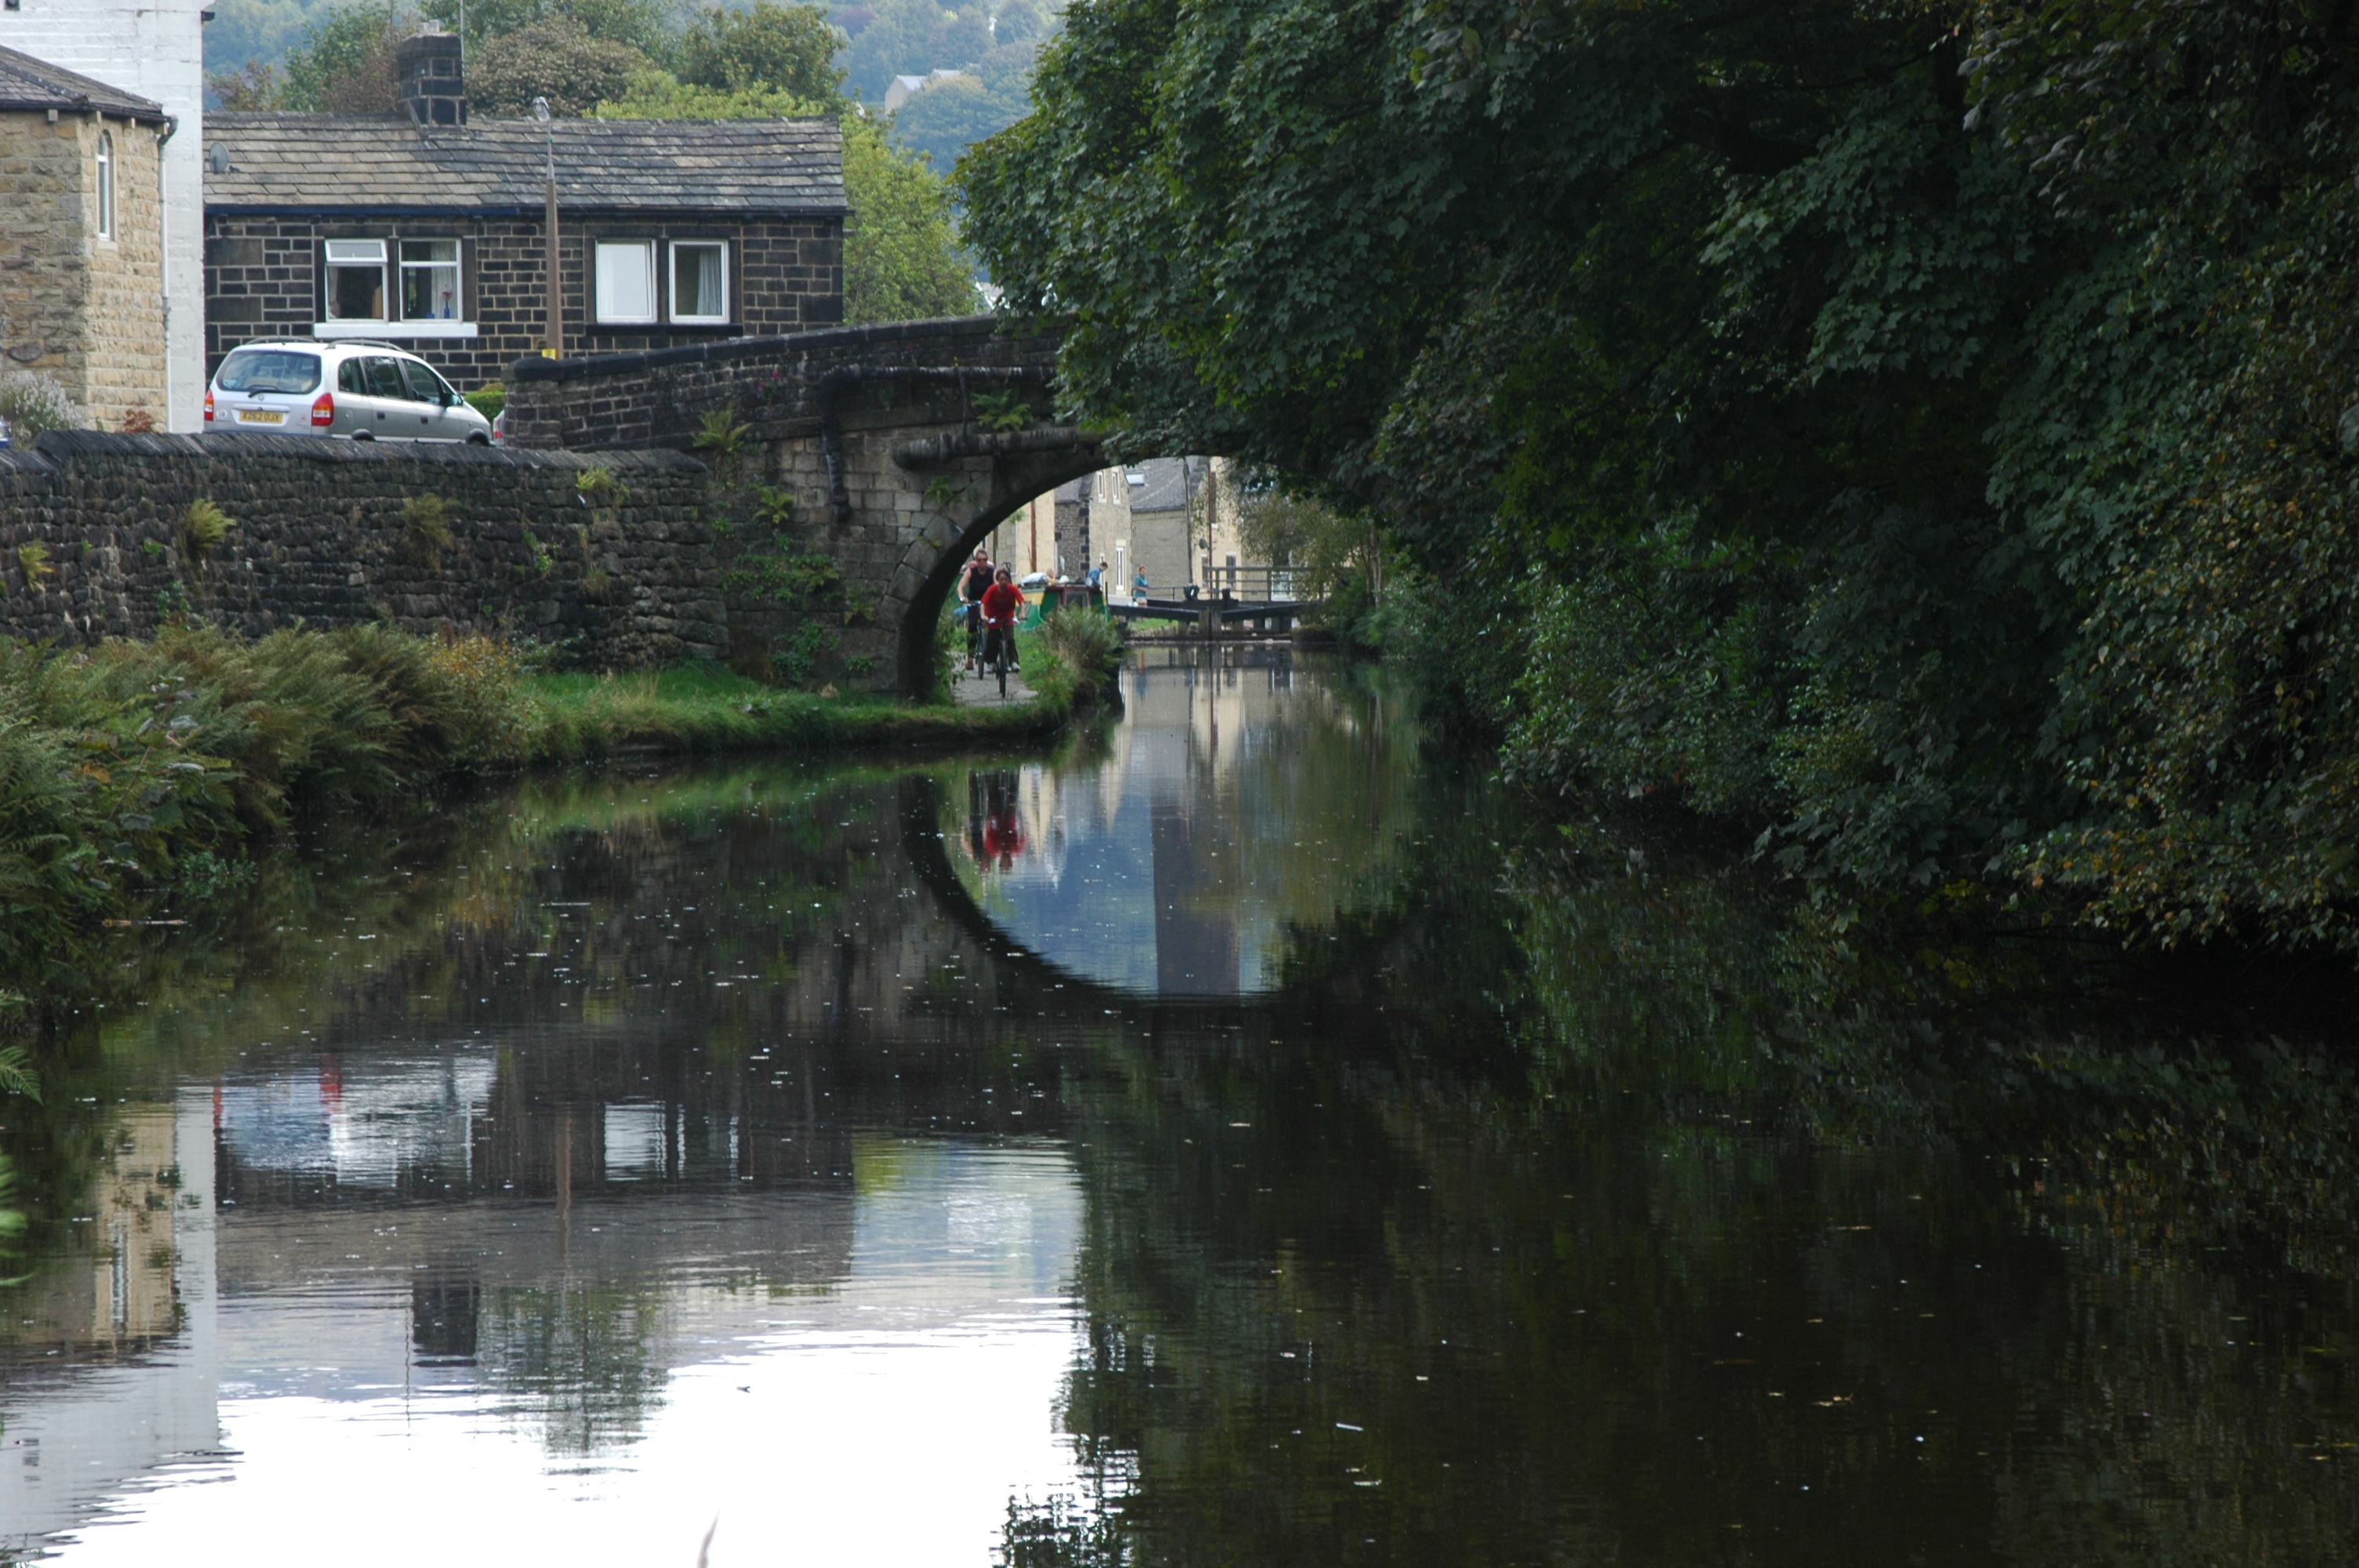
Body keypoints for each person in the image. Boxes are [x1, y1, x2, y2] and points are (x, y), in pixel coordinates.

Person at [979, 565, 1024, 679]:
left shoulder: (1013, 589)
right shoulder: (992, 590)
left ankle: (1013, 662)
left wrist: (1022, 614)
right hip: (994, 616)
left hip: (1008, 616)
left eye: (1006, 579)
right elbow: (983, 603)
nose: (1004, 582)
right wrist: (984, 615)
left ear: (1008, 580)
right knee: (993, 639)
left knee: (1010, 639)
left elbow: (1022, 602)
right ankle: (991, 663)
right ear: (998, 580)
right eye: (1001, 579)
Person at [958, 547, 994, 671]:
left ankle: (991, 658)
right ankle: (970, 658)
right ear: (976, 561)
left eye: (984, 560)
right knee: (972, 626)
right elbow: (961, 586)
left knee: (992, 626)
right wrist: (962, 597)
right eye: (979, 560)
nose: (982, 562)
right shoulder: (971, 571)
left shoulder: (992, 571)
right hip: (974, 602)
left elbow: (996, 584)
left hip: (987, 603)